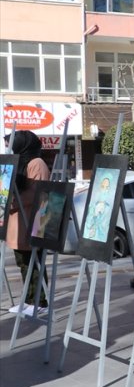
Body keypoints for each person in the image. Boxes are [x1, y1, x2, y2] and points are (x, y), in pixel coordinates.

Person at [6, 130, 50, 316]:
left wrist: (11, 201)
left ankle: (39, 301)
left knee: (34, 262)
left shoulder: (36, 163)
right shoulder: (20, 162)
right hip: (18, 221)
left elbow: (36, 193)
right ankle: (29, 300)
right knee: (23, 263)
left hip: (33, 221)